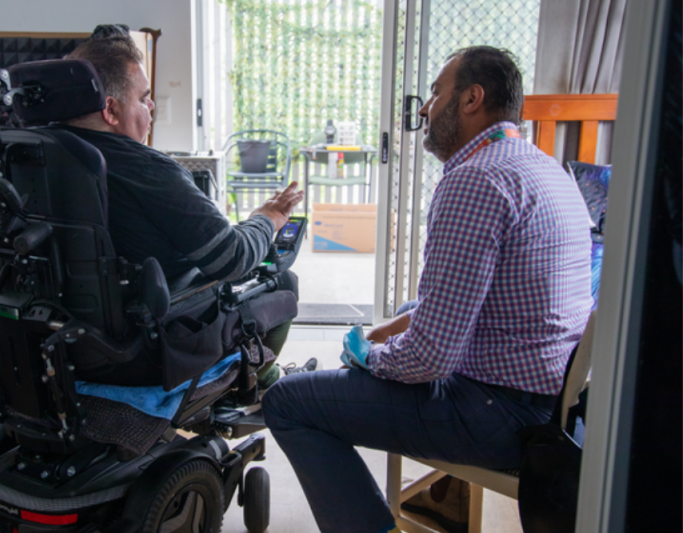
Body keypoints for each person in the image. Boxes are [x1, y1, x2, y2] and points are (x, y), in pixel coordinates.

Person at [262, 46, 593, 533]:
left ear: (471, 99)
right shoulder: (546, 168)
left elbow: (430, 359)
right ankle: (443, 502)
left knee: (288, 402)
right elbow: (462, 303)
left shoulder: (476, 180)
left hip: (497, 415)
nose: (423, 108)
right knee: (407, 310)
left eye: (436, 93)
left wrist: (369, 359)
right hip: (550, 401)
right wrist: (384, 334)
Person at [61, 25, 317, 387]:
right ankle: (263, 385)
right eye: (144, 97)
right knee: (282, 281)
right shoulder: (146, 169)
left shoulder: (33, 156)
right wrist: (267, 218)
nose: (151, 106)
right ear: (111, 110)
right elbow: (232, 259)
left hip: (62, 344)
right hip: (143, 351)